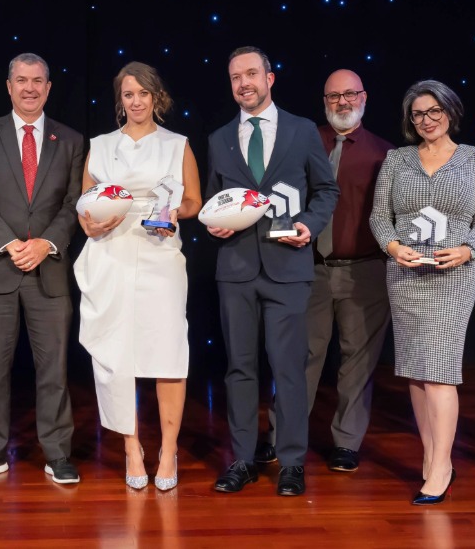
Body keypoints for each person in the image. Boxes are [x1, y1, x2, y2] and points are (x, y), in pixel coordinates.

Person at [204, 46, 339, 497]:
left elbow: (326, 191)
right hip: (236, 270)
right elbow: (212, 201)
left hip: (289, 268)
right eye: (235, 77)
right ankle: (242, 459)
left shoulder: (302, 131)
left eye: (251, 74)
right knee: (240, 369)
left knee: (289, 369)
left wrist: (310, 224)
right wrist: (213, 225)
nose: (244, 83)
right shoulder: (220, 137)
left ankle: (293, 462)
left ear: (270, 78)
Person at [0, 53, 85, 485]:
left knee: (55, 368)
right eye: (21, 80)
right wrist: (12, 244)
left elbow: (74, 204)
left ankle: (58, 453)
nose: (29, 88)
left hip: (48, 271)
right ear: (8, 85)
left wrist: (46, 243)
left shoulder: (70, 140)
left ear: (48, 88)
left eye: (37, 81)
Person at [74, 62, 201, 491]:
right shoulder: (101, 145)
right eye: (129, 94)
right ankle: (131, 445)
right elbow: (85, 204)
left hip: (159, 254)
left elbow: (195, 202)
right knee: (115, 353)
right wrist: (89, 223)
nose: (136, 101)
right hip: (109, 254)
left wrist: (169, 211)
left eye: (144, 93)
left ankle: (168, 449)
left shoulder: (176, 144)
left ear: (156, 97)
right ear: (120, 100)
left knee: (167, 352)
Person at [369, 79, 475, 505]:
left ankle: (441, 466)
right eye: (418, 113)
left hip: (453, 275)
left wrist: (468, 250)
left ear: (450, 111)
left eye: (434, 111)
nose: (426, 120)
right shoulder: (397, 159)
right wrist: (392, 247)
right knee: (416, 371)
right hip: (405, 274)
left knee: (440, 370)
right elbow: (379, 217)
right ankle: (432, 456)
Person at [302, 69, 394, 473]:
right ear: (324, 101)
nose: (342, 102)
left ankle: (346, 442)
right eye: (334, 96)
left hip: (365, 270)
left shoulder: (385, 153)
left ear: (364, 97)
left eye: (350, 94)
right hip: (310, 268)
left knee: (358, 359)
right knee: (301, 355)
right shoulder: (304, 143)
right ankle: (284, 434)